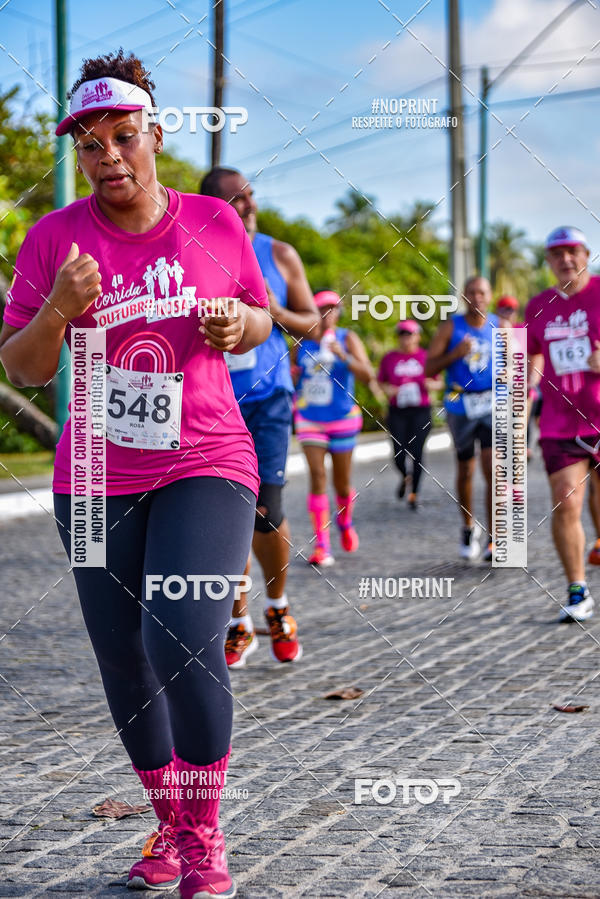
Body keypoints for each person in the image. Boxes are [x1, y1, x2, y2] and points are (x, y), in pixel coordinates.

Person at [0, 51, 273, 898]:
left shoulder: (214, 223)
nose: (108, 155)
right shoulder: (52, 239)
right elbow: (23, 368)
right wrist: (57, 309)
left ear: (155, 134)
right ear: (78, 155)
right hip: (92, 472)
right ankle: (172, 820)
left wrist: (240, 325)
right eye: (90, 145)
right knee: (122, 659)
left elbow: (263, 317)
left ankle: (202, 828)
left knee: (181, 638)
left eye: (123, 136)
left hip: (205, 457)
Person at [200, 167, 319, 668]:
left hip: (268, 398)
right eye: (235, 200)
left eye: (250, 197)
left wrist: (273, 310)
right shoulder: (192, 251)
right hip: (210, 401)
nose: (247, 206)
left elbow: (312, 323)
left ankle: (278, 606)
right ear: (210, 207)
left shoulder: (279, 253)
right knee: (222, 516)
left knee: (265, 513)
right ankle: (236, 620)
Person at [526, 226, 600, 622]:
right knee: (567, 498)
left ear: (587, 254)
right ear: (548, 261)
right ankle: (577, 589)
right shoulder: (538, 305)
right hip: (560, 424)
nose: (565, 260)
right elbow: (530, 358)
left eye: (572, 252)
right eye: (557, 254)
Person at [291, 289, 375, 566]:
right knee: (317, 476)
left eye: (333, 309)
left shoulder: (346, 338)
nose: (327, 315)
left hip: (342, 418)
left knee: (341, 483)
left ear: (339, 312)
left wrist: (344, 357)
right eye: (322, 309)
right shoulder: (301, 342)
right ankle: (322, 545)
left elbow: (367, 374)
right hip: (310, 418)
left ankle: (345, 521)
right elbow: (291, 376)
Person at [425, 277, 498, 561]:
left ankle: (494, 536)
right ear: (464, 297)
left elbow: (517, 364)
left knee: (493, 469)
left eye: (482, 292)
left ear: (489, 296)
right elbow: (429, 367)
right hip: (460, 406)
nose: (477, 297)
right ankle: (468, 526)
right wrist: (455, 354)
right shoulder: (450, 327)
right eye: (471, 293)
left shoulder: (500, 327)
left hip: (492, 404)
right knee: (466, 469)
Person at [378, 319, 440, 510]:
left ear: (418, 336)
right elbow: (380, 381)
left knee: (417, 452)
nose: (406, 339)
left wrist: (431, 385)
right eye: (402, 335)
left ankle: (414, 493)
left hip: (420, 410)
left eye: (410, 335)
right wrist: (388, 389)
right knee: (398, 453)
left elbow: (439, 382)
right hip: (398, 411)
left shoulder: (426, 357)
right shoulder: (390, 358)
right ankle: (406, 475)